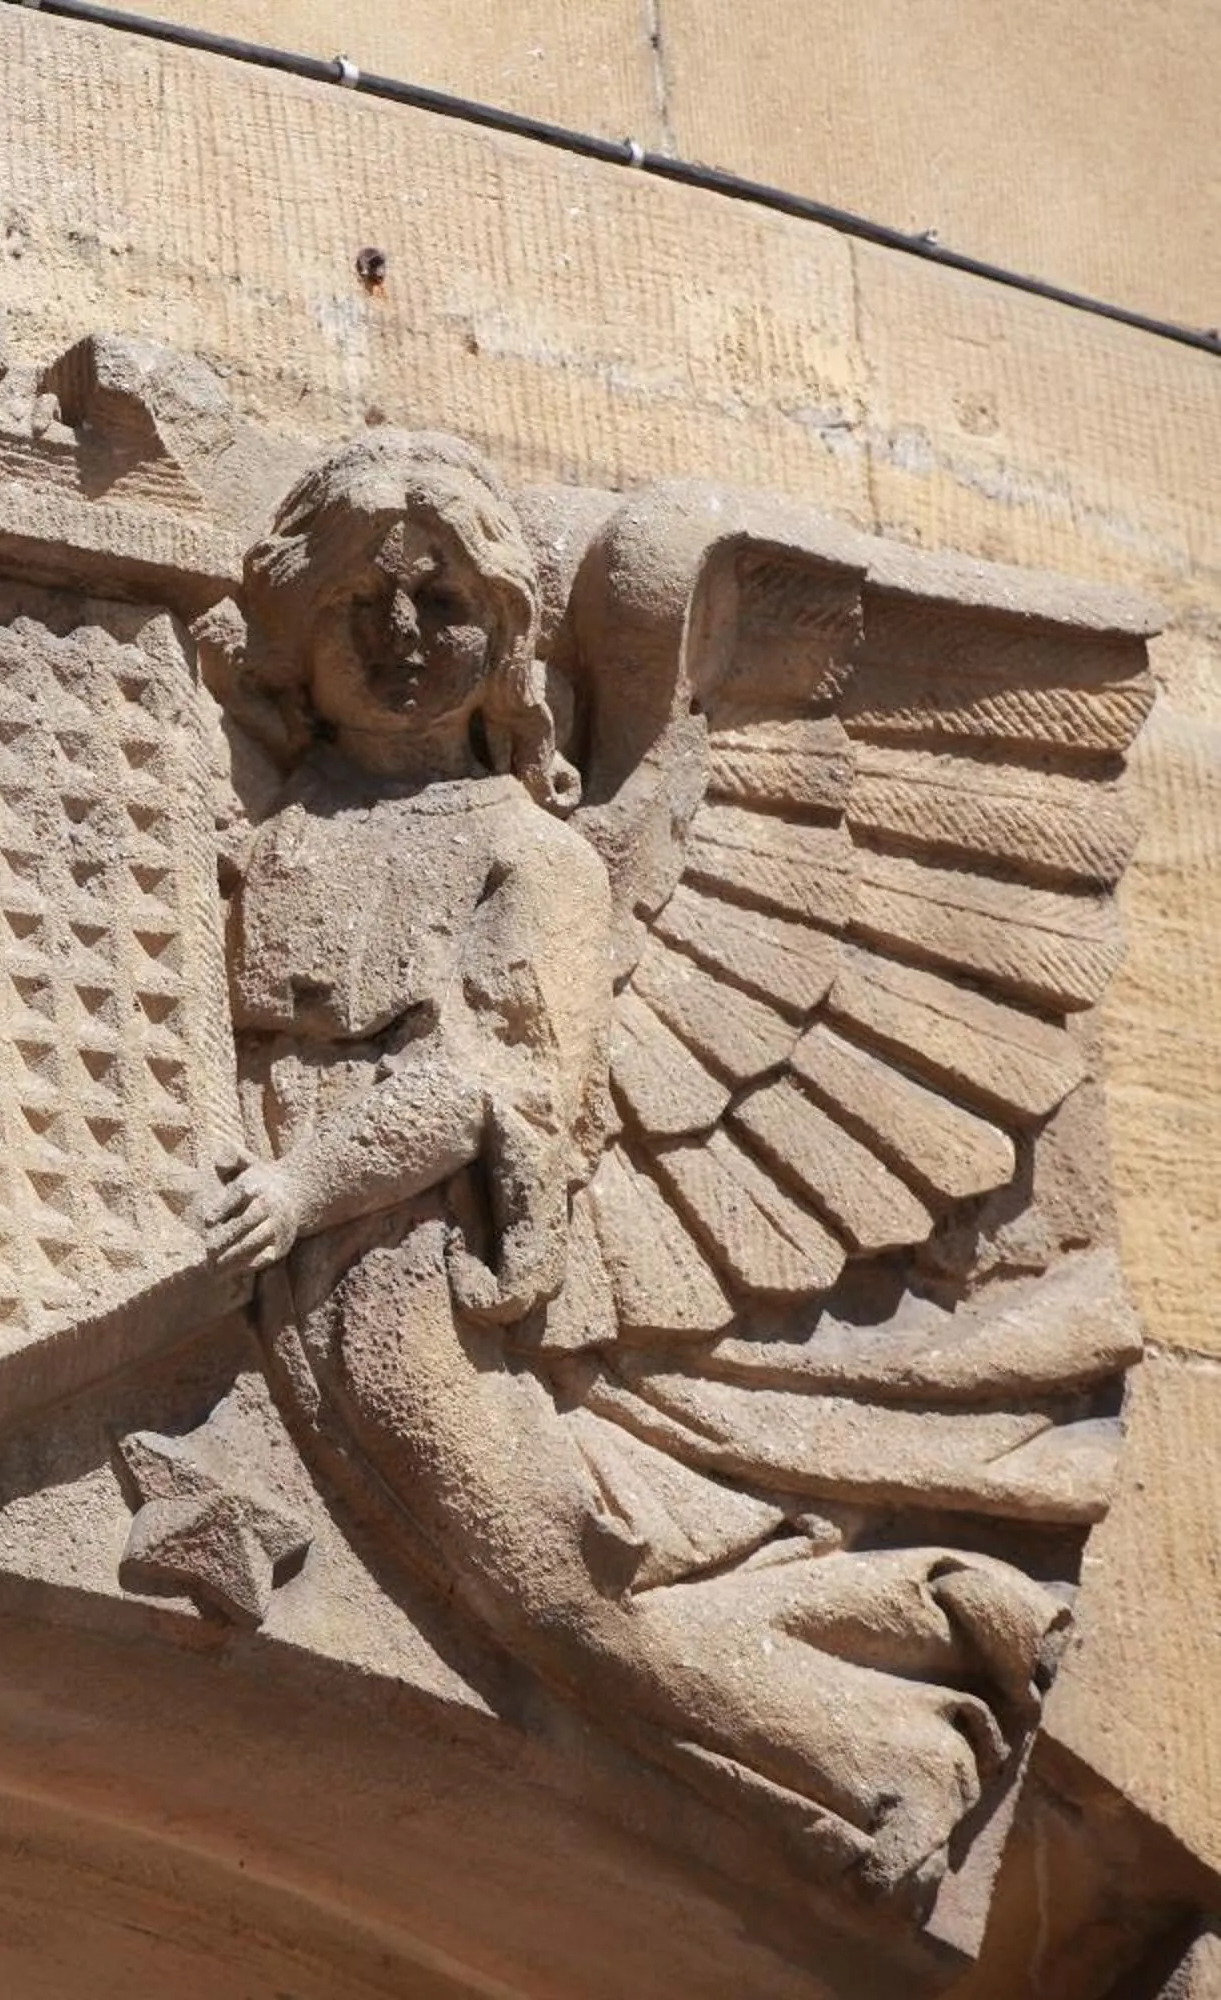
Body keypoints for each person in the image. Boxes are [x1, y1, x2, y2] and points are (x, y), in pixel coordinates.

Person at [203, 432, 1060, 1902]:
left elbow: (490, 1080)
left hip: (399, 1269)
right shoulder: (278, 826)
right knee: (506, 1587)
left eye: (443, 603)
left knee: (547, 1589)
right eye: (360, 601)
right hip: (282, 1252)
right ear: (299, 618)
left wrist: (298, 1189)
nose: (401, 634)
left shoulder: (532, 858)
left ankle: (890, 1739)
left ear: (506, 638)